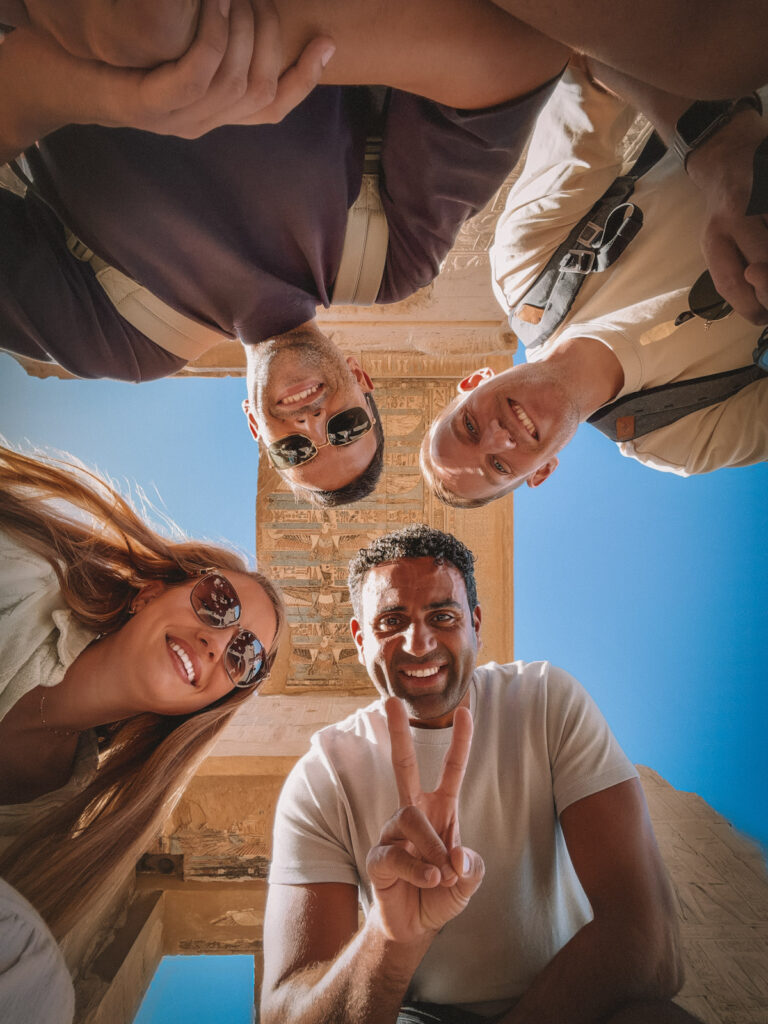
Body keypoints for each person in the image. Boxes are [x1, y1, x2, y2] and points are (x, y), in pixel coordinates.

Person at [261, 525, 699, 1024]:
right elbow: (282, 1014)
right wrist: (389, 935)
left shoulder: (544, 701)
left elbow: (648, 942)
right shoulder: (323, 776)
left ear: (476, 624)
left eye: (442, 616)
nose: (418, 642)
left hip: (576, 999)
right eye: (390, 621)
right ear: (360, 639)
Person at [420, 66, 768, 508]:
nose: (498, 436)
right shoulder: (681, 440)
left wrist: (721, 149)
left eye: (468, 426)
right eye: (499, 466)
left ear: (474, 380)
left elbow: (595, 69)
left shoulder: (526, 267)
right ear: (542, 473)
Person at [0, 443, 283, 947]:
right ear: (149, 593)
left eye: (245, 657)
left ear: (210, 704)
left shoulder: (54, 822)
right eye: (217, 603)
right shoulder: (18, 575)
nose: (217, 643)